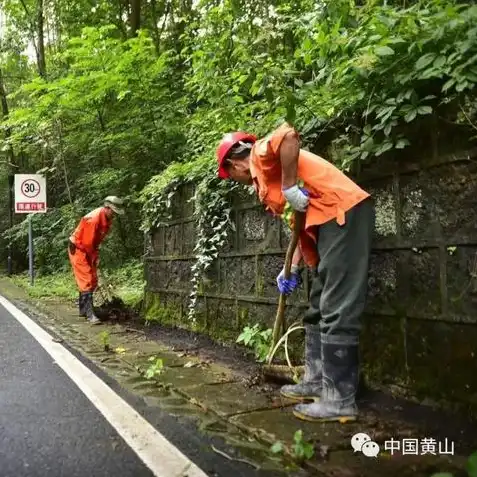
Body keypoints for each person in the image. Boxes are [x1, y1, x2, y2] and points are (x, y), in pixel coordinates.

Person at [216, 123, 375, 422]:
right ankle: (316, 381)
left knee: (336, 306)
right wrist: (292, 267)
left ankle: (340, 399)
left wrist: (289, 185)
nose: (233, 181)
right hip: (325, 224)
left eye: (229, 175)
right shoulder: (265, 180)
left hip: (343, 212)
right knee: (317, 308)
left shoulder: (262, 157)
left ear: (235, 163)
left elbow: (288, 135)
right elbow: (300, 223)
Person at [68, 196, 125, 325]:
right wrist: (94, 258)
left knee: (93, 279)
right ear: (107, 208)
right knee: (86, 279)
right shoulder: (93, 220)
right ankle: (89, 314)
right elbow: (87, 243)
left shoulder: (106, 218)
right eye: (114, 212)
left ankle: (83, 310)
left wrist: (95, 256)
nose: (114, 215)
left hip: (87, 248)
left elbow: (95, 242)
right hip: (78, 248)